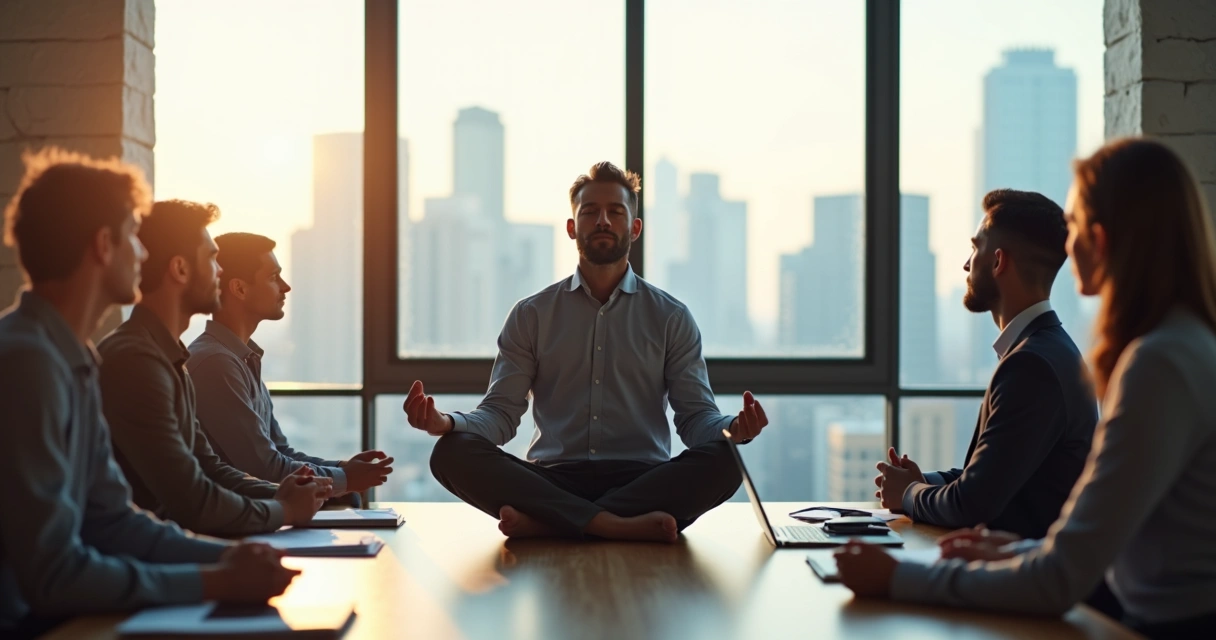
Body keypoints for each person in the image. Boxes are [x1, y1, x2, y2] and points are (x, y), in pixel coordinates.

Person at [836, 138, 1216, 639]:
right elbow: (1106, 539)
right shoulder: (1183, 345)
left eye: (1074, 224)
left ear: (1099, 239)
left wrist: (898, 577)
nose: (1066, 241)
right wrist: (1014, 553)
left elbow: (1062, 577)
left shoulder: (1157, 364)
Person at [0, 150, 298, 636]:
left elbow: (114, 520)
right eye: (132, 239)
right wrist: (214, 581)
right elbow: (53, 576)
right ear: (103, 245)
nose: (143, 256)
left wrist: (236, 556)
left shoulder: (74, 359)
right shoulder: (27, 362)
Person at [408, 161, 767, 542]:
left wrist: (733, 429)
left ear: (635, 228)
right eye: (590, 212)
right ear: (571, 227)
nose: (602, 221)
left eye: (616, 212)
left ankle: (554, 523)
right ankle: (612, 525)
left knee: (727, 459)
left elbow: (696, 420)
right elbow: (499, 416)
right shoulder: (532, 314)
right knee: (450, 453)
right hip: (554, 478)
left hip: (642, 479)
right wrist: (446, 424)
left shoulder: (670, 317)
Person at [874, 189, 1097, 539]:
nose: (966, 264)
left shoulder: (1032, 366)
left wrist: (908, 495)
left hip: (1021, 581)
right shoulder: (1045, 350)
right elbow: (988, 477)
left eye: (975, 248)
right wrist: (922, 482)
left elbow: (972, 504)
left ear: (997, 261)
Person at [98, 200, 330, 537]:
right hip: (149, 554)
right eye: (211, 258)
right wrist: (282, 509)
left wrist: (285, 496)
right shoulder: (137, 361)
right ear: (180, 269)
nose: (220, 271)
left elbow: (209, 469)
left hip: (166, 546)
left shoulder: (169, 358)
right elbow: (191, 497)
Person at [186, 232, 393, 505]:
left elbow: (279, 450)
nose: (285, 287)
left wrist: (343, 468)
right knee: (347, 497)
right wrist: (344, 479)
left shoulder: (241, 358)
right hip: (237, 505)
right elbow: (264, 467)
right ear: (239, 289)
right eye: (273, 277)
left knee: (347, 497)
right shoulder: (216, 364)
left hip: (254, 498)